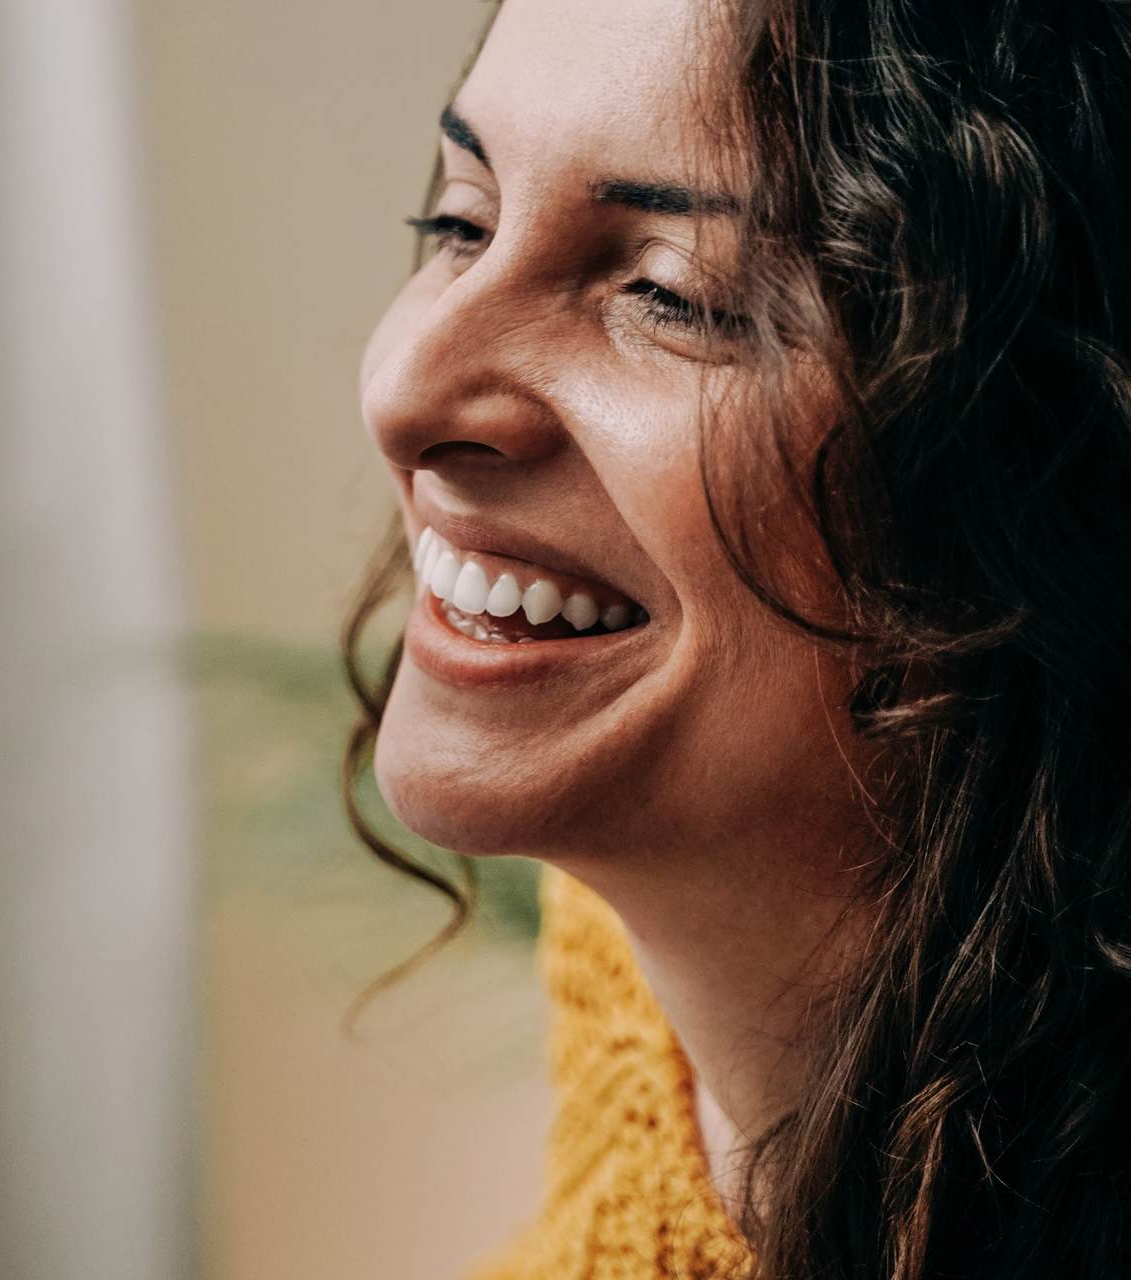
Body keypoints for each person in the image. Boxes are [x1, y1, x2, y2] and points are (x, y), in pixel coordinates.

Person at [343, 0, 1131, 1275]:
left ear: (1043, 476)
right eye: (461, 221)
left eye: (669, 293)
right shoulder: (618, 969)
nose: (404, 385)